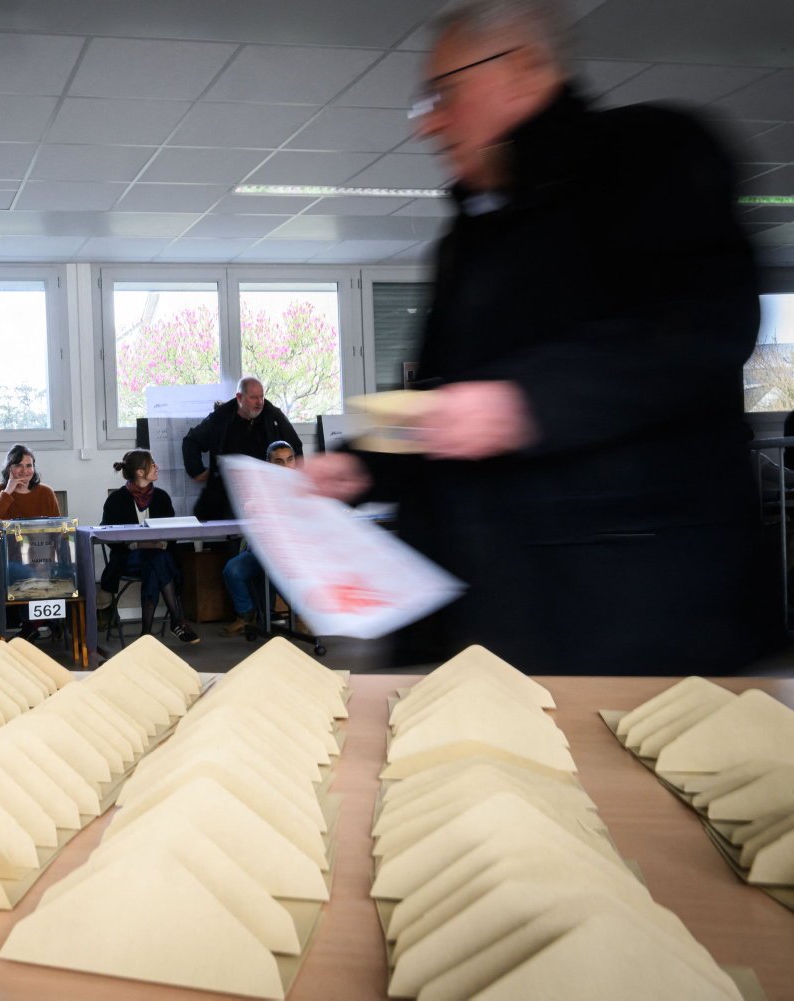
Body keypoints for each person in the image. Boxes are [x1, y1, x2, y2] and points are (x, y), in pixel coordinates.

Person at [303, 0, 773, 675]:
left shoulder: (656, 153)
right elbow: (438, 401)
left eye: (443, 95)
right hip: (480, 623)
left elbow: (698, 328)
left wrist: (521, 404)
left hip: (632, 619)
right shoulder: (467, 238)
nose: (427, 124)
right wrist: (365, 465)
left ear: (522, 69)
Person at [99, 450, 200, 644]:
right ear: (140, 472)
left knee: (154, 564)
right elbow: (108, 535)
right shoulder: (116, 499)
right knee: (158, 560)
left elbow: (172, 533)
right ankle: (176, 621)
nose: (156, 467)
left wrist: (160, 544)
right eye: (152, 464)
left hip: (156, 557)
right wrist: (138, 544)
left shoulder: (161, 497)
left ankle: (146, 634)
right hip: (127, 559)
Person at [182, 376, 302, 521]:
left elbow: (296, 445)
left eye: (262, 397)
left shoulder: (273, 415)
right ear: (239, 397)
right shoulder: (221, 416)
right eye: (254, 397)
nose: (259, 402)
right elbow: (191, 441)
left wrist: (294, 482)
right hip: (228, 490)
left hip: (265, 490)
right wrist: (197, 471)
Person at [0, 444, 64, 642]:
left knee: (50, 569)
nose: (25, 471)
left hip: (42, 556)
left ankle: (33, 627)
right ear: (9, 468)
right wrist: (7, 492)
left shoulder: (45, 492)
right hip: (8, 559)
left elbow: (57, 530)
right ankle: (34, 625)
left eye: (29, 465)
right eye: (18, 465)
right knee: (26, 572)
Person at [222, 440, 299, 636]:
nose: (285, 466)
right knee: (233, 570)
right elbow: (250, 510)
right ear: (268, 464)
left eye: (289, 460)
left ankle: (302, 615)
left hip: (293, 553)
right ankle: (246, 616)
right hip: (261, 549)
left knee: (275, 569)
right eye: (279, 461)